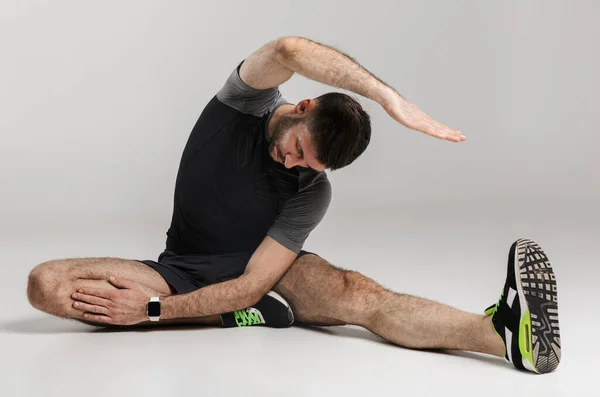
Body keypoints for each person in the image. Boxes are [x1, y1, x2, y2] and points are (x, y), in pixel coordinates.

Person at [26, 36, 560, 374]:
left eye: (309, 166)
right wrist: (388, 98)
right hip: (178, 269)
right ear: (301, 107)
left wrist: (150, 311)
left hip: (265, 276)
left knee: (361, 297)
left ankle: (502, 335)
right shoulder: (245, 101)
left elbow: (254, 280)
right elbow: (288, 50)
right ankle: (234, 318)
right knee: (45, 284)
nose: (293, 166)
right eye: (298, 150)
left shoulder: (312, 190)